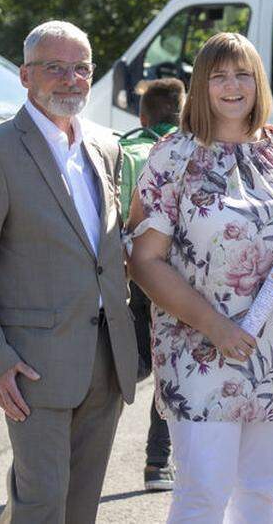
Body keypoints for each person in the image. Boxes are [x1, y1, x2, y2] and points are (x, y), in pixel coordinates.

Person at [128, 32, 273, 523]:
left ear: (258, 81)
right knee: (203, 493)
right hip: (201, 353)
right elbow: (143, 261)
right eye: (218, 75)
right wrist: (215, 327)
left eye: (242, 73)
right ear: (200, 85)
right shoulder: (172, 157)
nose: (232, 85)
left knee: (261, 493)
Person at [0, 20, 139, 524]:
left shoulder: (105, 147)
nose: (71, 79)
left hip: (106, 359)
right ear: (25, 75)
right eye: (56, 68)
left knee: (81, 506)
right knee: (41, 504)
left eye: (82, 69)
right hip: (32, 366)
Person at [118, 77, 185, 491]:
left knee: (132, 358)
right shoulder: (189, 151)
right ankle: (157, 464)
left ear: (142, 115)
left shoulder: (124, 150)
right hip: (175, 276)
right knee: (170, 364)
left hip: (127, 270)